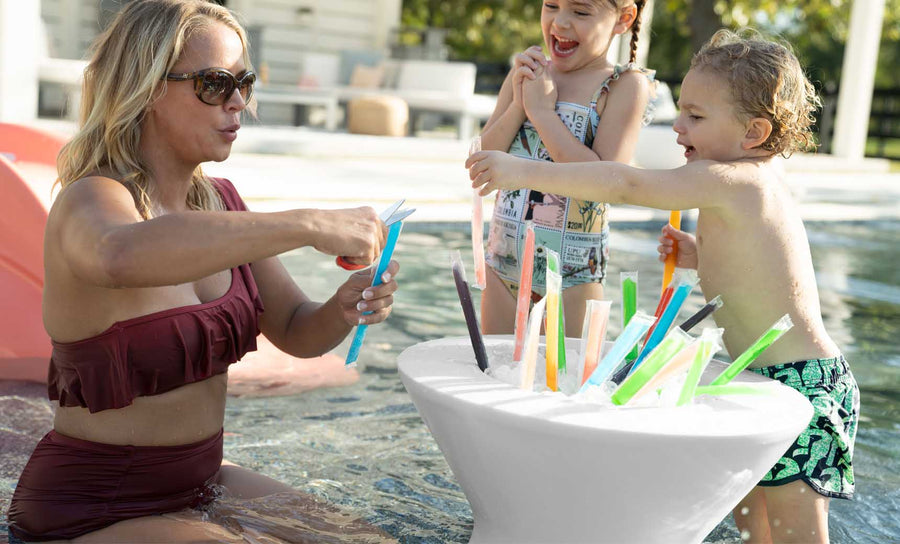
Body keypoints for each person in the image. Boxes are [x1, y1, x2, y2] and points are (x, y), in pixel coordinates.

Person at [6, 1, 399, 541]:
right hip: (94, 505)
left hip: (201, 484)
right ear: (144, 87)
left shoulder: (224, 205)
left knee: (367, 540)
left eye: (244, 82)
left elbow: (297, 331)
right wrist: (308, 222)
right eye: (214, 83)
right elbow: (120, 254)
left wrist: (344, 305)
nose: (238, 102)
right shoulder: (90, 201)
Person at [467, 29, 859, 543]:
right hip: (762, 378)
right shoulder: (744, 183)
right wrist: (700, 256)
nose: (677, 127)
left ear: (753, 132)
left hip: (804, 383)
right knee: (754, 531)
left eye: (695, 116)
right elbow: (770, 273)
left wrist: (524, 170)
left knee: (795, 536)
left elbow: (626, 184)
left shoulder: (734, 180)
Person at [478, 0, 655, 337]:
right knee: (495, 376)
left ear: (624, 19)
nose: (560, 22)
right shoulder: (526, 76)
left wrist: (543, 114)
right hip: (504, 264)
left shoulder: (624, 86)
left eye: (581, 11)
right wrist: (520, 103)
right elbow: (482, 161)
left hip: (574, 275)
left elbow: (604, 182)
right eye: (551, 5)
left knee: (562, 384)